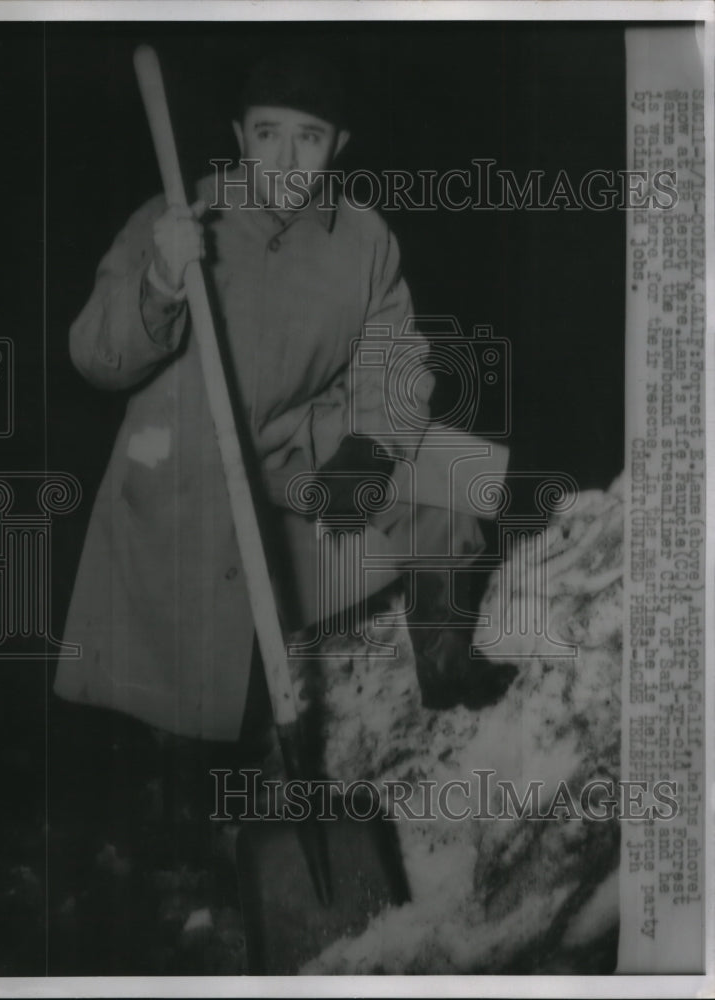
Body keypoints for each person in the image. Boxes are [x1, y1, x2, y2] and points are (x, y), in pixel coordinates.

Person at [54, 50, 511, 826]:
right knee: (191, 691)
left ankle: (444, 674)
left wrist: (369, 449)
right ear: (239, 135)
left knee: (453, 472)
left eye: (309, 137)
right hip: (188, 485)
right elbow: (95, 356)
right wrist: (161, 282)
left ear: (337, 146)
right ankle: (186, 801)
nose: (286, 158)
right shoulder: (175, 218)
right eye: (268, 134)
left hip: (299, 471)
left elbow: (394, 364)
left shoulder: (363, 239)